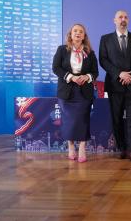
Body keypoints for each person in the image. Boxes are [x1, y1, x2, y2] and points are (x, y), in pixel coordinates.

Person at [98, 10, 131, 163]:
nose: (123, 19)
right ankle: (122, 148)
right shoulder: (105, 39)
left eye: (125, 17)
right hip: (114, 85)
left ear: (128, 20)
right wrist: (119, 74)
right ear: (114, 20)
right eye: (120, 17)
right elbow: (103, 60)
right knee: (116, 118)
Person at [52, 23, 99, 163]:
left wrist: (87, 77)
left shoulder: (90, 53)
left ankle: (82, 147)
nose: (78, 33)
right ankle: (71, 146)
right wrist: (71, 77)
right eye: (75, 31)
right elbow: (56, 68)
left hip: (84, 91)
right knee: (68, 120)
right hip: (66, 90)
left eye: (81, 31)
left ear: (84, 36)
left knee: (83, 119)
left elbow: (95, 72)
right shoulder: (62, 50)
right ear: (70, 35)